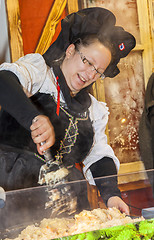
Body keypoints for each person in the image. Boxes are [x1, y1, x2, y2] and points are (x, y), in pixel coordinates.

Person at [0, 7, 136, 214]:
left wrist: (112, 194)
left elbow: (98, 156)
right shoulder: (39, 74)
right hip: (13, 193)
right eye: (88, 62)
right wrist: (35, 118)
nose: (90, 74)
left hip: (63, 204)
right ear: (71, 50)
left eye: (98, 71)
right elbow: (4, 81)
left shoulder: (93, 109)